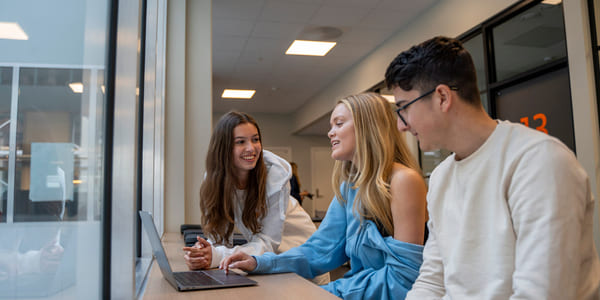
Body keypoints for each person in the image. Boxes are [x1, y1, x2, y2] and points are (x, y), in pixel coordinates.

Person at [384, 36, 600, 299]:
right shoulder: (441, 177)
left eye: (403, 108)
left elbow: (541, 294)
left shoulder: (538, 162)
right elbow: (432, 281)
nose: (401, 126)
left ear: (442, 97)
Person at [221, 93, 428, 299]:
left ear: (367, 127)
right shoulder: (351, 186)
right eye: (331, 126)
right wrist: (260, 263)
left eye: (339, 124)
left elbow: (403, 279)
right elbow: (320, 250)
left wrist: (320, 293)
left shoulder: (403, 180)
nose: (330, 133)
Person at [183, 111, 329, 284]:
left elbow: (268, 243)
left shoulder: (274, 176)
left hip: (300, 260)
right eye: (240, 142)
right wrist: (203, 252)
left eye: (255, 139)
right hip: (268, 265)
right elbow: (218, 236)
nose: (251, 148)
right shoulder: (215, 180)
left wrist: (216, 256)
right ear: (224, 148)